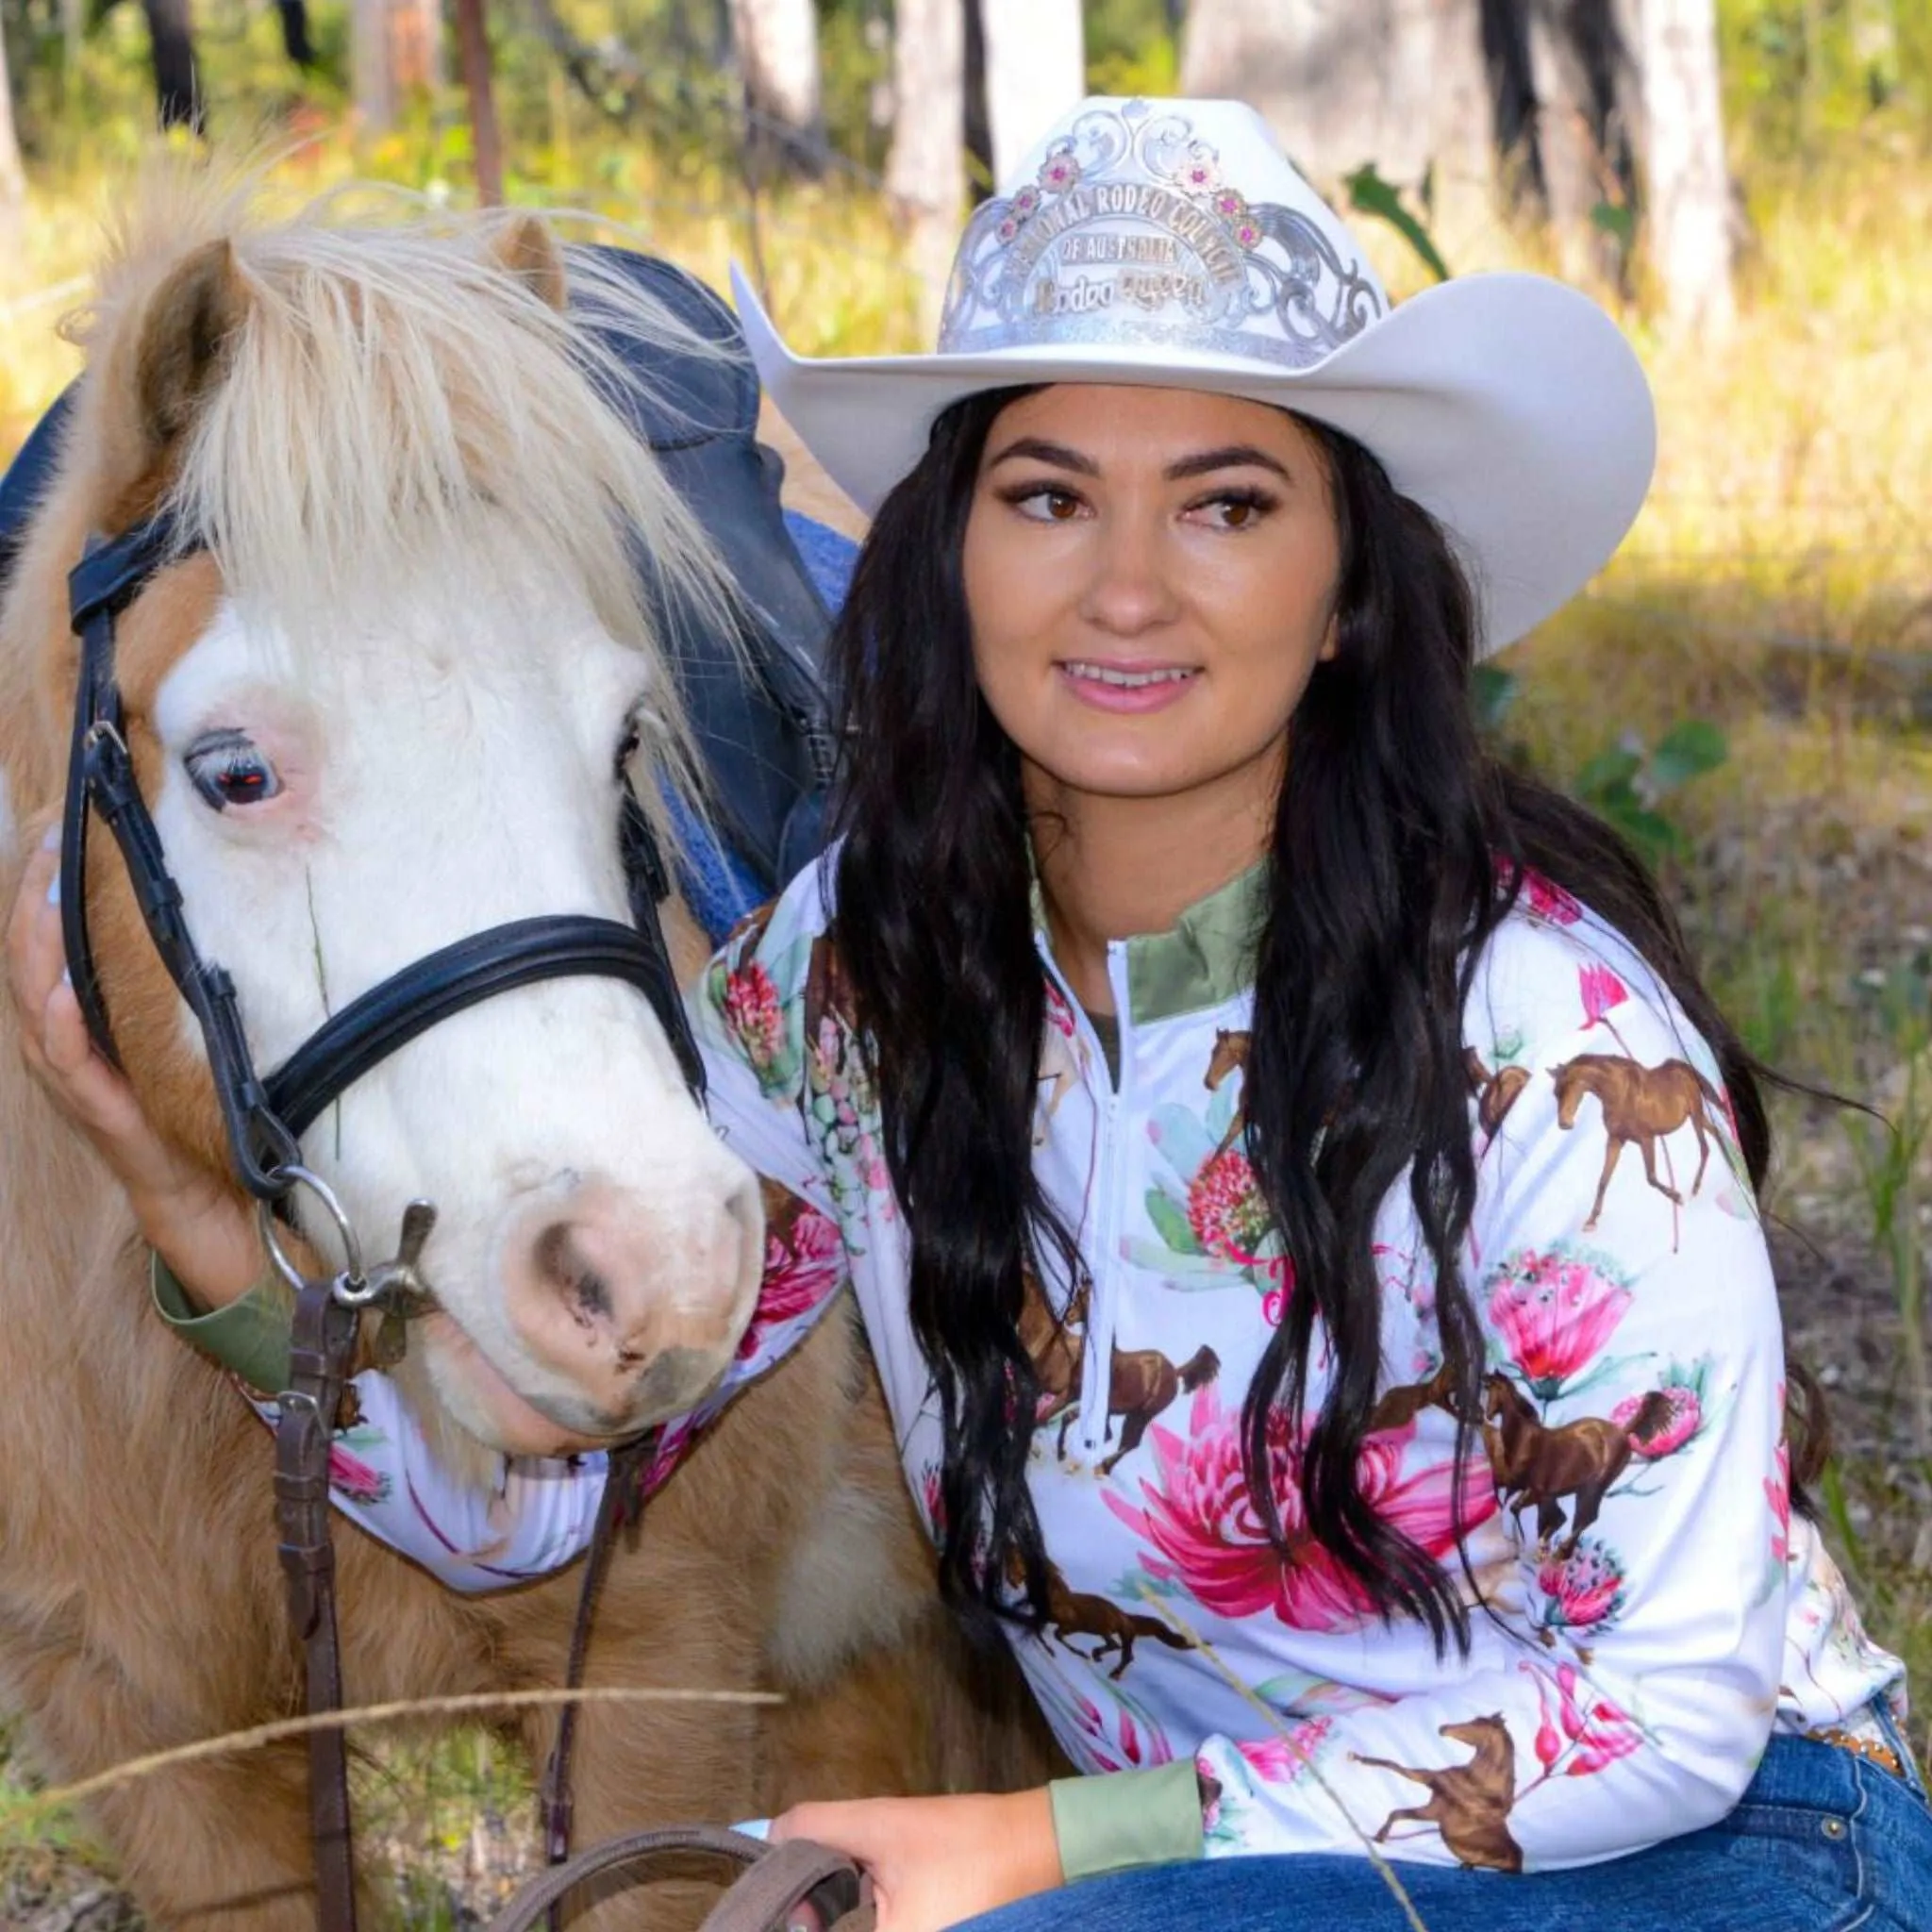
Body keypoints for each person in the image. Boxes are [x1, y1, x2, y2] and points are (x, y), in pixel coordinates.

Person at [8, 96, 1927, 1932]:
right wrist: (187, 1221)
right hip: (1195, 1880)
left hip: (1721, 1859)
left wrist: (1044, 1837)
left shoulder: (1529, 1012)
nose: (1124, 584)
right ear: (957, 551)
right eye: (1046, 492)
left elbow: (1668, 1716)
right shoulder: (859, 985)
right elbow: (550, 1508)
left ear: (1347, 584)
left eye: (1228, 500)